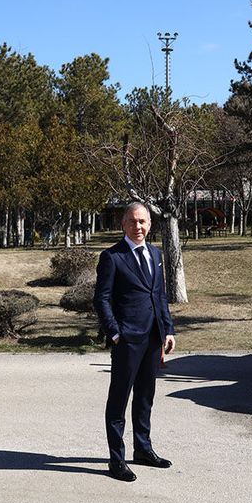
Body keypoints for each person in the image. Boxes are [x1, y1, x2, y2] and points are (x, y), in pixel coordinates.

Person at [93, 202, 176, 482]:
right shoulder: (112, 257)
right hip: (127, 341)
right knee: (118, 400)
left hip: (153, 338)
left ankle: (143, 449)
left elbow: (159, 296)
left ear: (150, 223)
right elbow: (101, 299)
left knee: (144, 397)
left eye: (142, 221)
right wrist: (115, 333)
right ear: (123, 224)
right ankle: (116, 460)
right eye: (132, 221)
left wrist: (168, 329)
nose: (138, 226)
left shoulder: (156, 254)